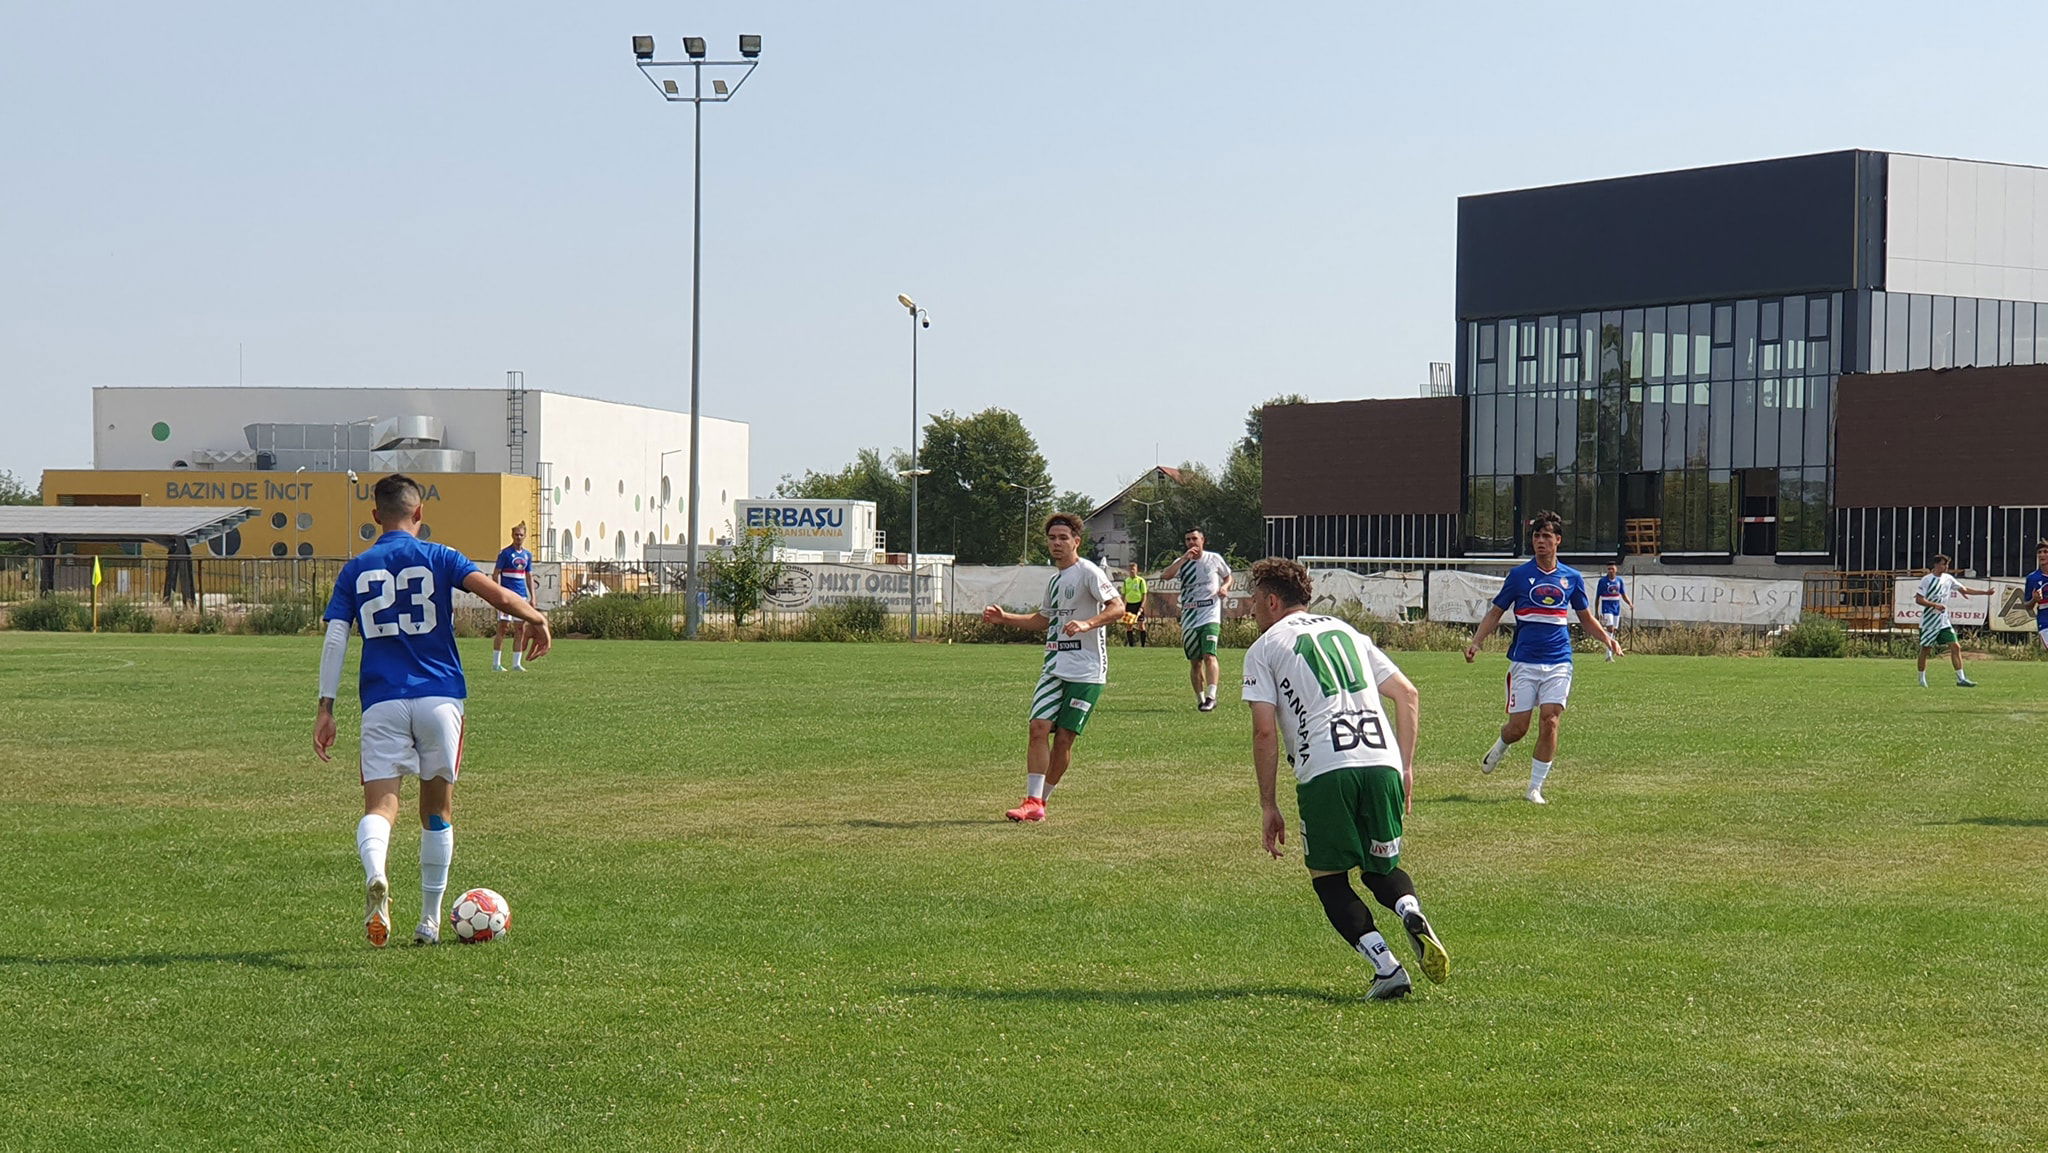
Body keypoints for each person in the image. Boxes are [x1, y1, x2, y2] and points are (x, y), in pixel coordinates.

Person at [314, 474, 551, 947]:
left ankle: (377, 872)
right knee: (437, 811)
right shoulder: (440, 555)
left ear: (375, 516)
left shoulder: (355, 569)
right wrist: (537, 617)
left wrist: (326, 707)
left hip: (382, 700)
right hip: (440, 698)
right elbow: (498, 596)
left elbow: (336, 637)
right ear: (419, 514)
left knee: (381, 807)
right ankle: (429, 921)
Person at [1241, 558, 1448, 1001]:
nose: (1250, 607)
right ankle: (1409, 908)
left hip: (1326, 768)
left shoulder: (1264, 646)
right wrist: (1406, 766)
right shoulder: (1349, 632)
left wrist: (1268, 804)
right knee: (1380, 868)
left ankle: (1386, 967)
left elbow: (1264, 730)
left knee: (1329, 876)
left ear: (1273, 601)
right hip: (1382, 760)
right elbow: (1408, 694)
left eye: (1255, 599)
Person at [1464, 510, 1621, 805]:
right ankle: (1501, 745)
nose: (1540, 541)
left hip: (1560, 661)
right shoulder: (1519, 576)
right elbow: (1496, 612)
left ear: (1558, 540)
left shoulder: (1571, 578)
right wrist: (1477, 641)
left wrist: (1607, 639)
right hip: (1524, 661)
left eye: (1547, 536)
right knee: (1518, 728)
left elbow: (1585, 618)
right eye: (1536, 536)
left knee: (1550, 720)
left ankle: (1534, 788)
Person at [981, 513, 1124, 823]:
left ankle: (1041, 801)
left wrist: (1088, 623)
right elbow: (1043, 620)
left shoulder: (1088, 573)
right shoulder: (1056, 581)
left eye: (1063, 538)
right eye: (1052, 538)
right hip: (1054, 666)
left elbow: (1118, 608)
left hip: (1087, 671)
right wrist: (1006, 619)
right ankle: (1031, 800)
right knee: (1037, 729)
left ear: (1076, 542)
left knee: (1063, 740)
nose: (1057, 543)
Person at [1161, 528, 1233, 711]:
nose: (1191, 542)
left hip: (1210, 613)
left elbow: (1228, 576)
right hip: (1190, 616)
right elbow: (1165, 576)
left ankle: (1212, 696)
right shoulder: (1182, 561)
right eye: (1188, 540)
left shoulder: (1213, 558)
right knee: (1195, 661)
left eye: (1194, 539)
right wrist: (1184, 559)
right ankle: (1200, 699)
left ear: (1203, 540)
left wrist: (1224, 587)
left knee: (1210, 654)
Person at [1915, 553, 1988, 687]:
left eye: (1947, 564)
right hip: (1929, 621)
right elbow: (1919, 599)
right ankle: (1921, 679)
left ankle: (1961, 678)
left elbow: (1964, 589)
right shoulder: (1927, 579)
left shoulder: (1948, 578)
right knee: (1925, 649)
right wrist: (1934, 605)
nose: (1946, 567)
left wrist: (1984, 593)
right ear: (1936, 565)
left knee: (1955, 646)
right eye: (1944, 564)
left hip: (1943, 620)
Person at [491, 523, 535, 672]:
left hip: (521, 596)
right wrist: (497, 593)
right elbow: (495, 574)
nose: (518, 537)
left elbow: (529, 576)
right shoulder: (505, 553)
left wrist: (532, 596)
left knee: (520, 629)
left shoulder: (527, 555)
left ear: (525, 536)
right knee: (503, 628)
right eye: (516, 534)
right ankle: (496, 663)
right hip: (506, 597)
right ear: (512, 535)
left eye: (521, 535)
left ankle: (516, 664)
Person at [1595, 562, 1632, 662]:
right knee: (1610, 629)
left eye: (1612, 568)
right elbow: (1597, 597)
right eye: (1609, 569)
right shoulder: (1602, 581)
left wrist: (1630, 604)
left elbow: (1623, 594)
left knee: (1613, 630)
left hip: (1616, 608)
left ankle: (1610, 651)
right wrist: (1596, 611)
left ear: (1616, 569)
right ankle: (1608, 655)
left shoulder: (1619, 581)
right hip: (1606, 607)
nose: (1610, 571)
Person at [1120, 562, 1150, 647]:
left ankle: (1143, 645)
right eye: (1130, 569)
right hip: (1129, 605)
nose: (1132, 571)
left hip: (1138, 605)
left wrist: (1142, 607)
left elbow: (1144, 595)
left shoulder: (1141, 581)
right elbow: (1123, 594)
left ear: (1137, 570)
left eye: (1133, 569)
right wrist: (1123, 606)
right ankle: (1131, 645)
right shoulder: (1126, 581)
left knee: (1141, 625)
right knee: (1129, 625)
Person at [2026, 541, 2048, 651]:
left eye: (2045, 552)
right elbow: (2027, 606)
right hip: (2045, 620)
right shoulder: (2032, 578)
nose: (2042, 555)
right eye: (2039, 552)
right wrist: (2034, 599)